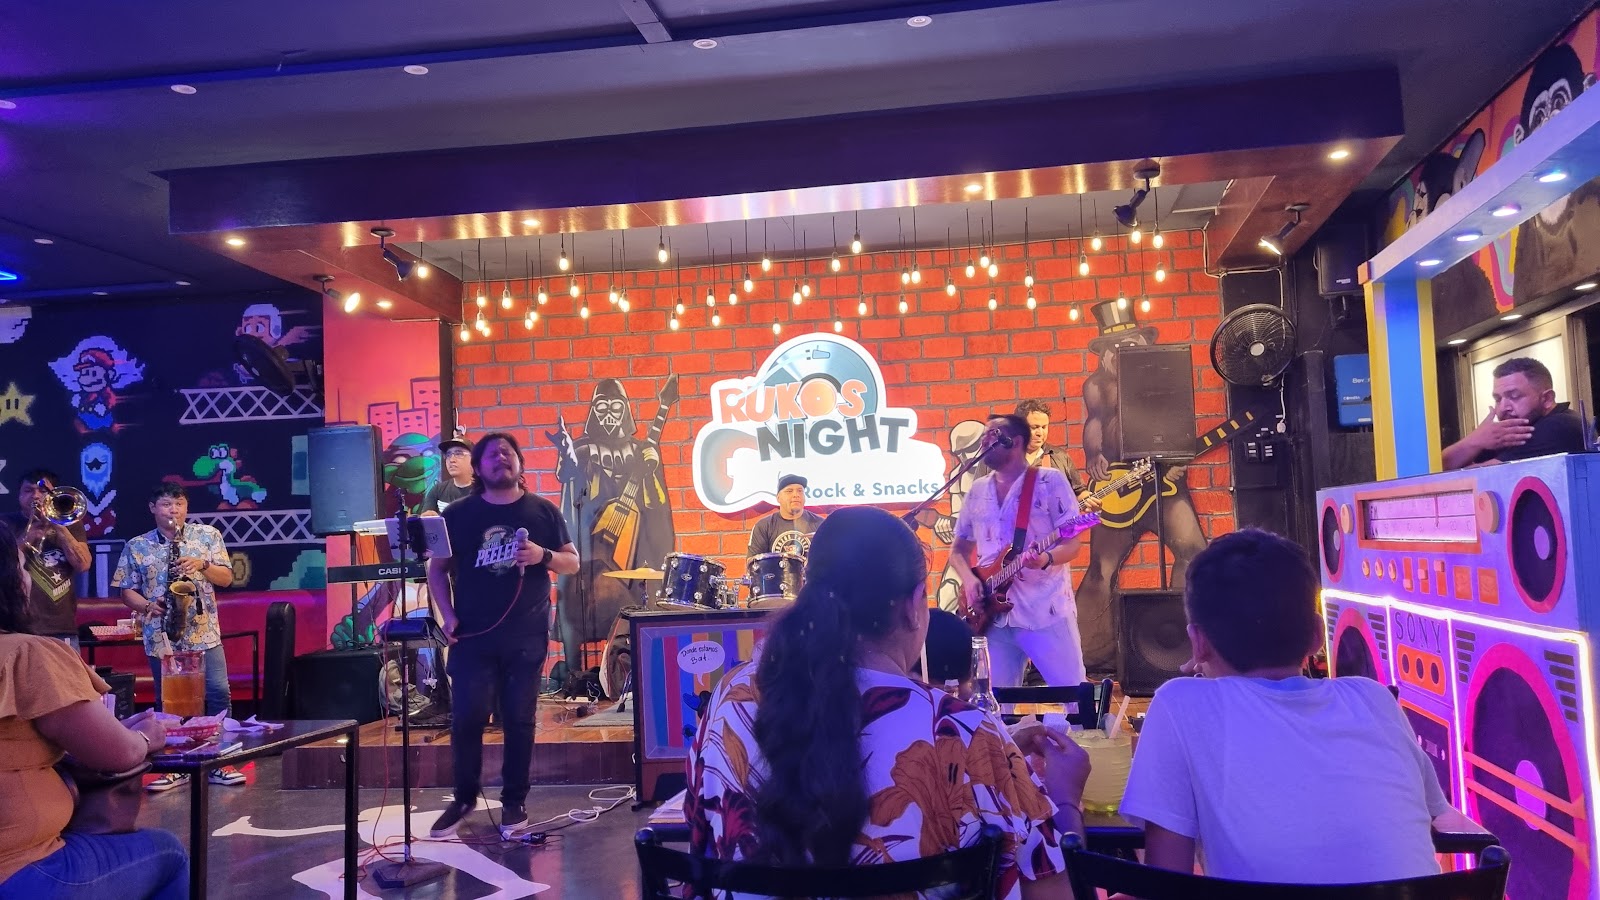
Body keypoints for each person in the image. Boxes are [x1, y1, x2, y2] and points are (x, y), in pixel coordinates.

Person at [686, 506, 1088, 900]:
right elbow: (1055, 892)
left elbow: (701, 835)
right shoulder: (966, 732)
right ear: (914, 606)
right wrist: (1064, 796)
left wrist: (1000, 757)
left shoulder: (730, 698)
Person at [1119, 529, 1453, 883]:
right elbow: (1432, 821)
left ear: (1197, 643)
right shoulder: (1375, 700)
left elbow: (1166, 884)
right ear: (1316, 634)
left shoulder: (1179, 704)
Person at [0, 520, 189, 899]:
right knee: (168, 851)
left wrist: (115, 730)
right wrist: (144, 736)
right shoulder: (26, 654)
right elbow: (118, 754)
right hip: (19, 868)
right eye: (22, 567)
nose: (27, 578)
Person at [426, 432, 579, 838]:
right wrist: (447, 617)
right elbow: (437, 571)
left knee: (519, 719)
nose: (501, 459)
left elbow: (572, 563)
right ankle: (463, 798)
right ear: (478, 468)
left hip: (525, 636)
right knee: (467, 718)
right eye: (491, 455)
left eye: (508, 453)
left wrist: (543, 555)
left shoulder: (543, 511)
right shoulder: (457, 515)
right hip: (472, 636)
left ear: (520, 464)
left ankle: (514, 801)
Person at [1075, 300, 1209, 676]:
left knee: (1193, 552)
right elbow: (1095, 421)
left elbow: (1179, 421)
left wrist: (1179, 458)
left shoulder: (1166, 376)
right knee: (1102, 568)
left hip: (1163, 481)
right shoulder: (1097, 384)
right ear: (1104, 352)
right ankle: (1090, 655)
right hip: (1120, 481)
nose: (1122, 351)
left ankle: (1185, 644)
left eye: (1129, 343)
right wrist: (1093, 455)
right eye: (1114, 346)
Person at [111, 483, 245, 791]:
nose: (174, 510)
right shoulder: (137, 545)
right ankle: (176, 766)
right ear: (152, 508)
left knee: (218, 693)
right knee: (169, 701)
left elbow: (226, 579)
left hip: (204, 631)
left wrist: (203, 564)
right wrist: (148, 605)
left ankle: (219, 761)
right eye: (166, 504)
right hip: (162, 635)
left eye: (179, 504)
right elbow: (126, 591)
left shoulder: (208, 535)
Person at [951, 414, 1088, 691]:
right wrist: (970, 580)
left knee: (1073, 695)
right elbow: (958, 550)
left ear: (1015, 441)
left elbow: (1073, 543)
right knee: (994, 703)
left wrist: (1046, 558)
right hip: (994, 619)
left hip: (1045, 611)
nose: (984, 441)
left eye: (992, 435)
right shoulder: (978, 490)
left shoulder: (1049, 481)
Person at [1441, 356, 1589, 470]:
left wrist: (1474, 441)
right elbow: (1439, 468)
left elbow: (1472, 479)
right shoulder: (1513, 431)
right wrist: (1476, 440)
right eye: (1498, 399)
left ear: (1547, 399)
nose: (1503, 407)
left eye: (1514, 396)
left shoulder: (1560, 425)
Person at [2, 469, 91, 649]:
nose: (36, 496)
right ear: (19, 496)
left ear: (54, 494)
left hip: (61, 627)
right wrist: (27, 539)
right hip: (18, 627)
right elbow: (3, 563)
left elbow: (83, 564)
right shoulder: (5, 524)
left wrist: (58, 524)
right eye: (28, 491)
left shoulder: (71, 524)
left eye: (42, 491)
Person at [1013, 400, 1097, 511]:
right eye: (1034, 427)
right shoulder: (1003, 459)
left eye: (1044, 427)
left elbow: (1079, 491)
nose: (1040, 433)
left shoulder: (1060, 456)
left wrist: (1089, 500)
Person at [746, 474, 824, 559]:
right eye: (789, 491)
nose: (796, 495)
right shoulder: (763, 526)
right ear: (778, 498)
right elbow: (753, 563)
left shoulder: (821, 525)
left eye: (800, 491)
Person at [420, 435, 474, 515]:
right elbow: (426, 519)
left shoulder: (484, 491)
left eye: (458, 454)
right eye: (448, 455)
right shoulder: (437, 490)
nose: (451, 460)